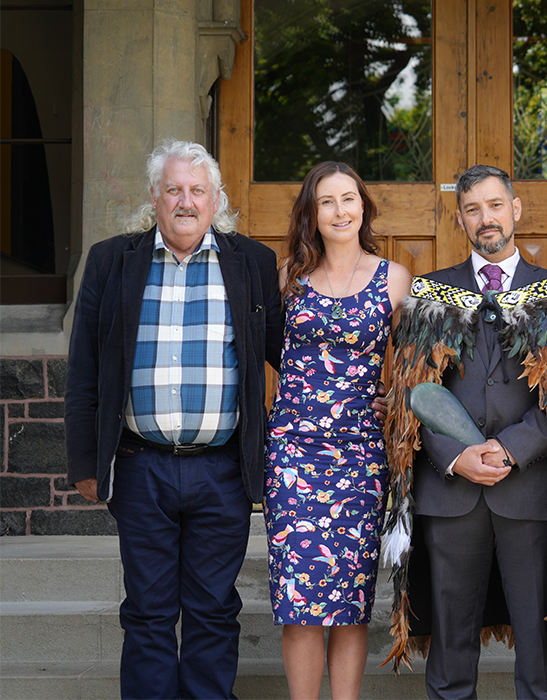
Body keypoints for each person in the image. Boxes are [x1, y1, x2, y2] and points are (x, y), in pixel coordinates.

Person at [65, 139, 284, 699]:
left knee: (213, 609)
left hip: (221, 470)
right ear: (156, 200)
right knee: (147, 609)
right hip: (141, 466)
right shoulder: (113, 259)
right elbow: (85, 368)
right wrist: (87, 463)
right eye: (174, 190)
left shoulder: (253, 262)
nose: (185, 201)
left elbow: (289, 357)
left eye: (197, 190)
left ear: (215, 200)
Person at [381, 164, 547, 699]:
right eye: (473, 209)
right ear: (459, 218)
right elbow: (414, 395)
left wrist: (511, 448)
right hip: (450, 493)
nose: (486, 219)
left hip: (531, 493)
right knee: (451, 658)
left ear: (515, 209)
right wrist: (457, 455)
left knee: (542, 658)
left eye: (495, 205)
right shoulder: (430, 292)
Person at [263, 162, 412, 699]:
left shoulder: (394, 279)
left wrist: (393, 400)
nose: (341, 210)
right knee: (298, 601)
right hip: (293, 453)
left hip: (360, 456)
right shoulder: (288, 277)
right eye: (327, 201)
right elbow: (265, 350)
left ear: (363, 207)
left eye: (349, 199)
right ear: (312, 213)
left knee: (350, 600)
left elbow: (418, 367)